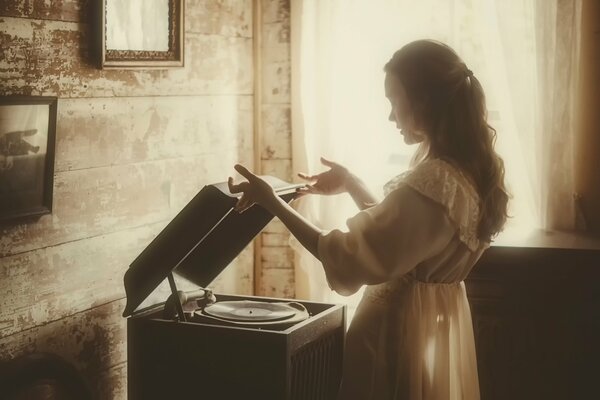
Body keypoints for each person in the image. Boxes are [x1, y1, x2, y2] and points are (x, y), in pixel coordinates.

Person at [228, 39, 509, 400]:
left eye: (394, 101)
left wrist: (273, 204)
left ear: (422, 101)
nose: (391, 116)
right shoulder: (465, 176)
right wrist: (351, 183)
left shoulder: (437, 182)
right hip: (426, 336)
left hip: (394, 343)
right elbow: (400, 243)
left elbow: (348, 256)